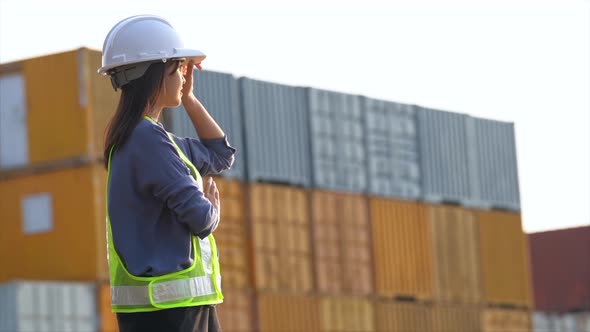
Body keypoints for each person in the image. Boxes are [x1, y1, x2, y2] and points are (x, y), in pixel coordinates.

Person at [98, 15, 235, 332]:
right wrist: (213, 207)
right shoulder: (149, 142)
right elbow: (201, 219)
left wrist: (188, 98)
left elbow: (220, 155)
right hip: (174, 315)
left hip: (157, 315)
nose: (184, 76)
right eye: (178, 68)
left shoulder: (140, 139)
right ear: (157, 72)